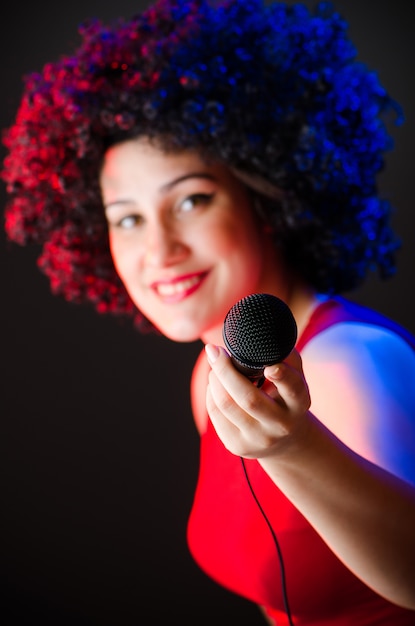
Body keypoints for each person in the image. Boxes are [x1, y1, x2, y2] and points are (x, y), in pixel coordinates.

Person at [2, 0, 415, 623]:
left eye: (191, 201)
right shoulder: (215, 371)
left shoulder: (351, 362)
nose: (158, 249)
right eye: (128, 219)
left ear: (268, 198)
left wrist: (297, 448)